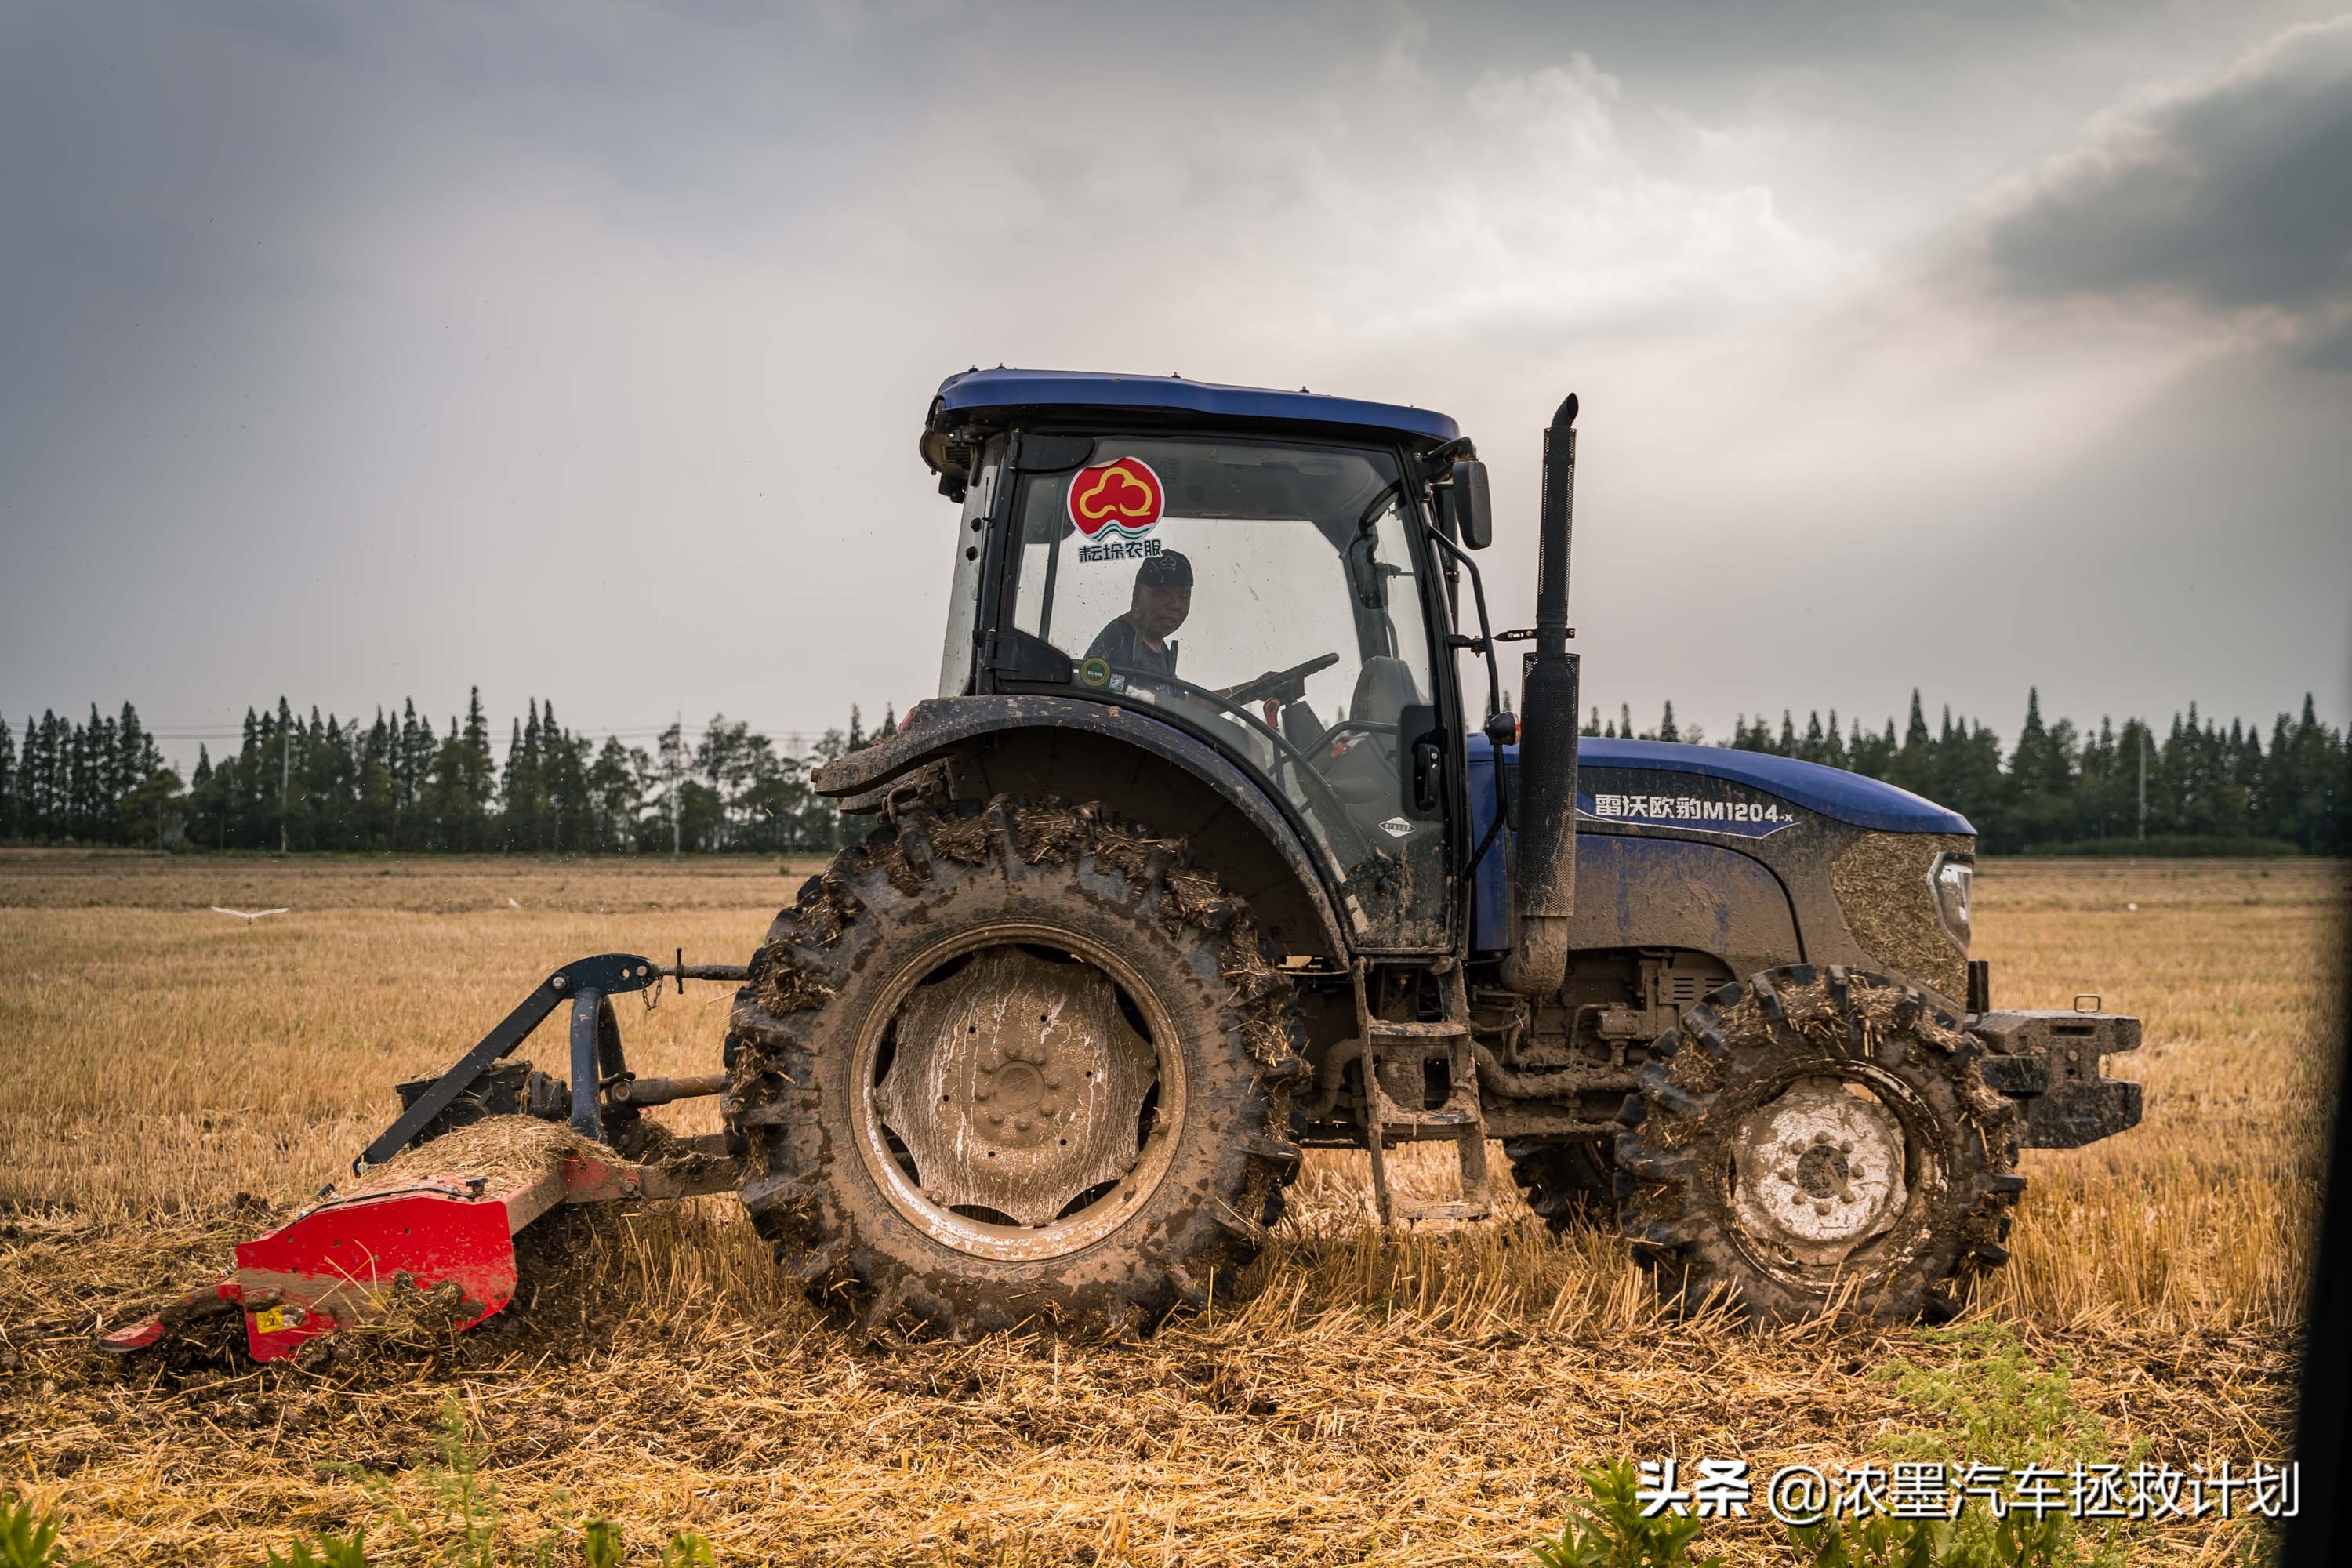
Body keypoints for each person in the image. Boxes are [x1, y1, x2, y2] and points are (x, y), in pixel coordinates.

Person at [1085, 551, 1192, 691]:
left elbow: (1179, 704)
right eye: (1163, 593)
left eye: (1184, 597)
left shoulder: (1159, 647)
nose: (1175, 605)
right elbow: (1099, 685)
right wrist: (1140, 695)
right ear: (1138, 595)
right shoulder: (1117, 641)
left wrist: (1229, 697)